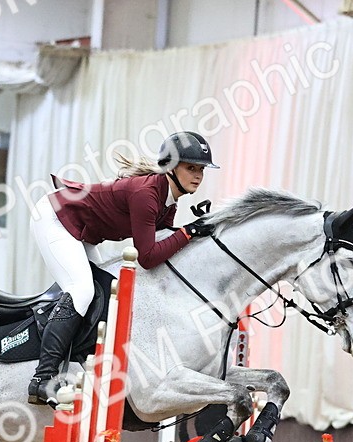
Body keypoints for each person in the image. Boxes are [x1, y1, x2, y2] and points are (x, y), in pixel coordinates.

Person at [27, 131, 219, 406]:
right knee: (82, 290)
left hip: (81, 229)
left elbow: (165, 240)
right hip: (55, 216)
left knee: (102, 291)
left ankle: (80, 363)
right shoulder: (147, 194)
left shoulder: (168, 200)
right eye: (191, 168)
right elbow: (148, 257)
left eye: (201, 170)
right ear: (171, 168)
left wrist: (197, 233)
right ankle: (42, 379)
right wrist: (188, 232)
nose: (198, 176)